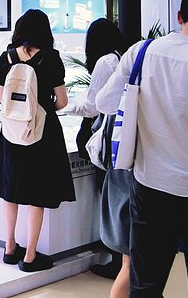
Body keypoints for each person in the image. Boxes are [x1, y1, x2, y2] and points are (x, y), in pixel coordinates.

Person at [95, 0, 188, 297]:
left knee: (145, 283)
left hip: (150, 187)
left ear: (179, 17)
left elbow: (104, 102)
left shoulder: (141, 51)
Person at [0, 9, 74, 272]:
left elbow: (2, 98)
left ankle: (9, 247)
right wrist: (43, 109)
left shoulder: (6, 57)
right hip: (42, 132)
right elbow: (62, 101)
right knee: (37, 193)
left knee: (11, 189)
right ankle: (30, 256)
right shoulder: (51, 58)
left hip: (12, 131)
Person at [66, 18, 132, 292]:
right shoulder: (122, 56)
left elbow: (95, 105)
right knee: (123, 201)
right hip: (125, 137)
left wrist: (67, 107)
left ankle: (117, 262)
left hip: (108, 140)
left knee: (112, 201)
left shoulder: (105, 62)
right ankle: (123, 260)